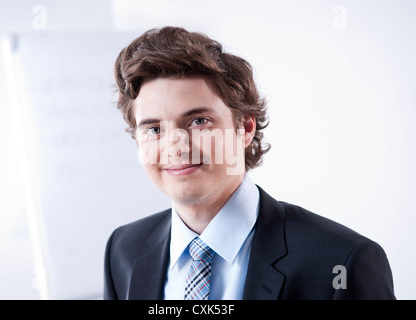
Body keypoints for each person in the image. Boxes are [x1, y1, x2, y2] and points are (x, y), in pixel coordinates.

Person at [104, 26, 395, 300]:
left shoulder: (342, 261)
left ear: (245, 128)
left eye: (198, 121)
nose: (175, 147)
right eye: (154, 129)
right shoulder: (123, 250)